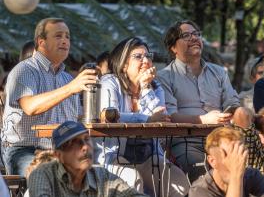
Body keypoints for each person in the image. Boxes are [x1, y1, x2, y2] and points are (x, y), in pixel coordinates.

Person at [1, 17, 98, 176]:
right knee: (54, 174)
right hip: (24, 151)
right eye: (58, 36)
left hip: (61, 151)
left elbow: (76, 118)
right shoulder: (24, 71)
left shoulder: (67, 79)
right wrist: (70, 88)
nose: (65, 41)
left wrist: (102, 116)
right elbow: (30, 107)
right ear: (41, 42)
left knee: (98, 175)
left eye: (67, 36)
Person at [98, 37, 189, 197]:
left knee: (180, 182)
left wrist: (146, 87)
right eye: (138, 56)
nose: (146, 60)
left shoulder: (155, 86)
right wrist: (146, 119)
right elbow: (110, 116)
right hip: (113, 155)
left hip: (149, 157)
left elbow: (161, 118)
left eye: (148, 56)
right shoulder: (109, 82)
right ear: (124, 64)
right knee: (132, 180)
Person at [157, 20, 243, 182]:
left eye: (196, 34)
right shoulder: (164, 77)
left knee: (242, 168)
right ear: (173, 48)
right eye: (186, 35)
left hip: (221, 137)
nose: (194, 38)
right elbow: (170, 116)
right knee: (202, 175)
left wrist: (230, 113)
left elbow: (232, 103)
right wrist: (204, 120)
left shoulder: (219, 72)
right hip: (186, 141)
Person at [28, 121, 148, 197]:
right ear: (59, 156)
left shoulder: (101, 176)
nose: (85, 147)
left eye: (86, 139)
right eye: (74, 143)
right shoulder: (44, 180)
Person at [189, 127, 264, 197]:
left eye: (240, 152)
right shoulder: (199, 191)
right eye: (231, 154)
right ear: (212, 161)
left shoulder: (253, 176)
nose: (238, 160)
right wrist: (236, 175)